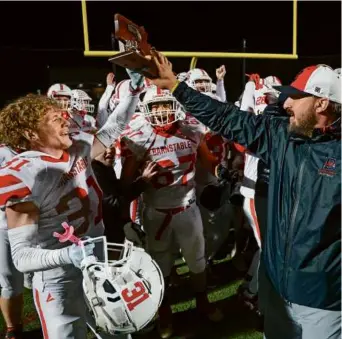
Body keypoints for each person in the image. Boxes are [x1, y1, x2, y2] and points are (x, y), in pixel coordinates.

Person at [149, 53, 341, 339]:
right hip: (277, 288)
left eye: (295, 98)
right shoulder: (282, 136)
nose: (285, 104)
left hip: (323, 298)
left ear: (322, 103)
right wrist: (177, 87)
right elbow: (227, 118)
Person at [0, 68, 145, 339]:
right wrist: (69, 255)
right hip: (58, 276)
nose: (66, 121)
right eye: (56, 119)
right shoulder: (21, 173)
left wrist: (134, 92)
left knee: (118, 331)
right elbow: (21, 257)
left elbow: (112, 129)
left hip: (98, 262)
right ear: (31, 133)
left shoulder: (78, 146)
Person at [120, 85, 223, 338]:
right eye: (156, 106)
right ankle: (165, 311)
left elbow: (209, 162)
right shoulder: (138, 136)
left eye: (166, 105)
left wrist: (226, 167)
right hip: (155, 211)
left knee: (197, 260)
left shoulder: (192, 131)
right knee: (161, 265)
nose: (162, 111)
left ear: (176, 105)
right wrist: (142, 180)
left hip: (187, 208)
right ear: (146, 109)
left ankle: (202, 300)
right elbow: (125, 182)